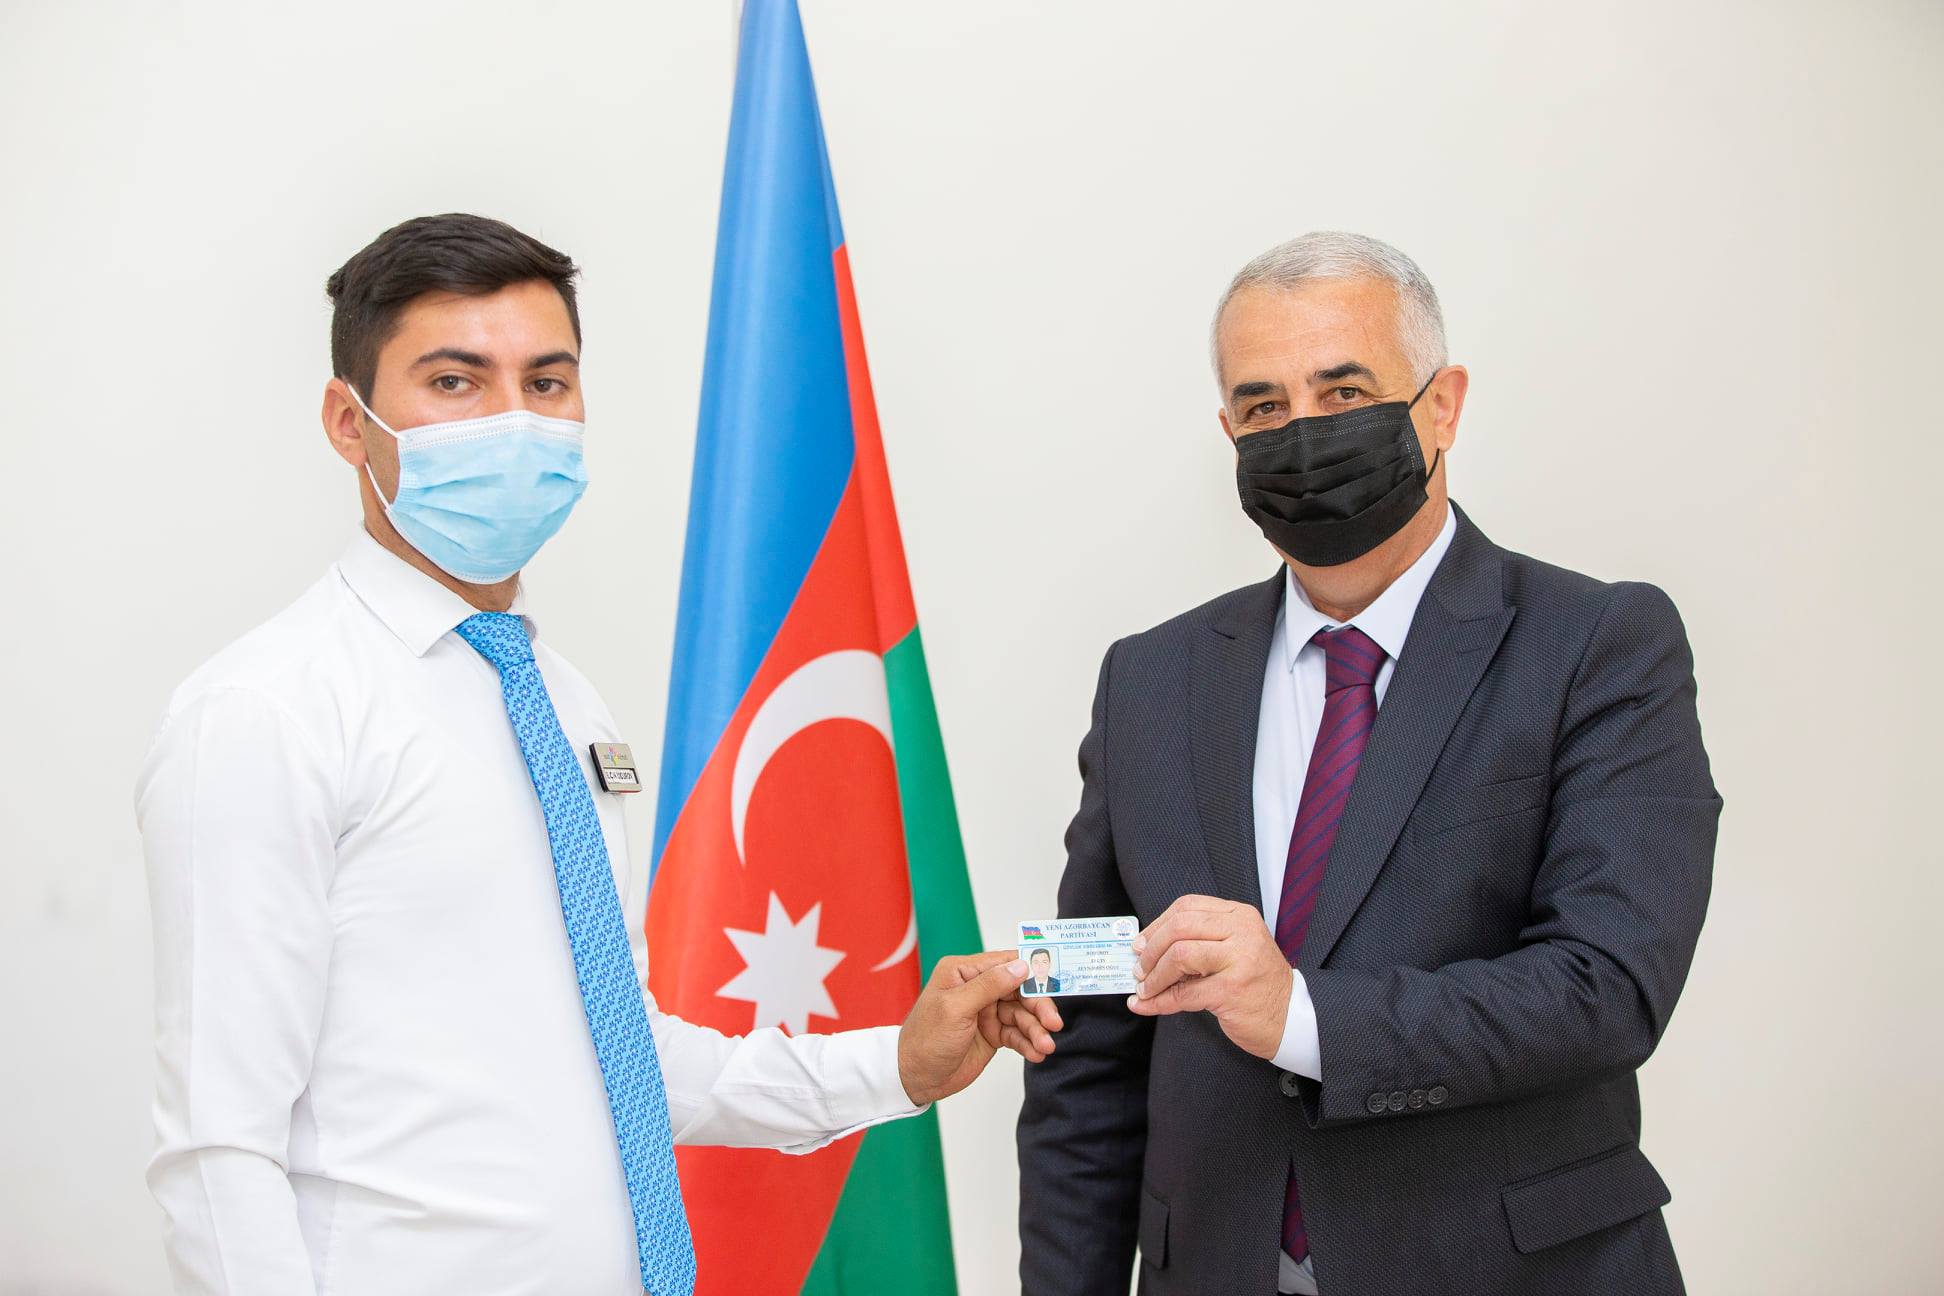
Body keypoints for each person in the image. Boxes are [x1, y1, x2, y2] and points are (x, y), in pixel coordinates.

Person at [137, 213, 1055, 1296]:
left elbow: (620, 1055)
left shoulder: (560, 698)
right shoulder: (267, 712)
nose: (513, 421)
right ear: (350, 421)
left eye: (547, 382)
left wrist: (894, 1063)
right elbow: (218, 1149)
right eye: (454, 382)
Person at [1010, 232, 1719, 1294]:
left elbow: (1607, 986)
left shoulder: (1597, 644)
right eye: (1263, 407)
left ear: (1444, 405)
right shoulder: (1147, 681)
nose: (1304, 433)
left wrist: (1301, 1017)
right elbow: (1092, 1048)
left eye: (1344, 392)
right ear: (1228, 434)